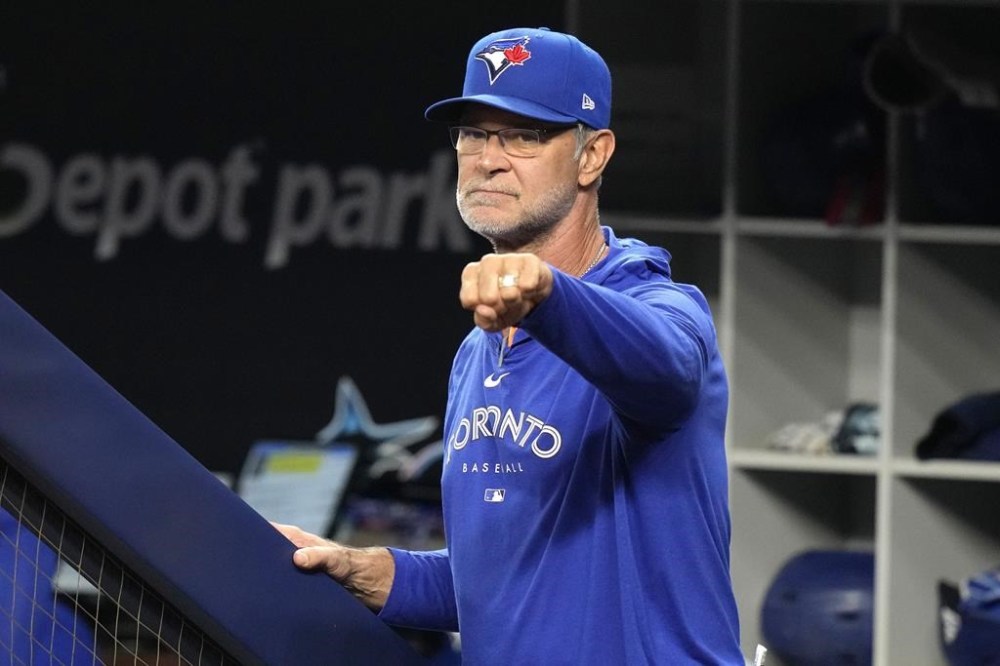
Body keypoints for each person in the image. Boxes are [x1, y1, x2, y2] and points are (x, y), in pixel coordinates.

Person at [275, 26, 743, 664]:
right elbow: (500, 578)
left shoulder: (661, 308)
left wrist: (549, 293)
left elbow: (667, 369)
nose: (488, 158)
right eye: (473, 133)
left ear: (592, 155)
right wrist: (366, 570)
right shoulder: (479, 350)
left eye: (525, 134)